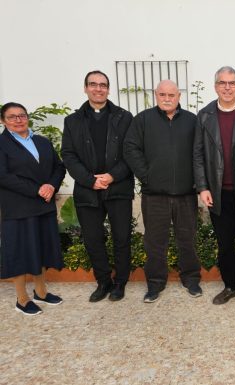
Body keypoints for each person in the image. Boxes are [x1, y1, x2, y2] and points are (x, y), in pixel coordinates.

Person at [124, 80, 202, 303]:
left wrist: (197, 182)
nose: (167, 98)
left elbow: (200, 151)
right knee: (155, 242)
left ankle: (191, 279)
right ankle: (155, 283)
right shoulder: (143, 120)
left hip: (186, 194)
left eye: (171, 94)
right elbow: (130, 148)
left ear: (179, 96)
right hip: (154, 194)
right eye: (162, 94)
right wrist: (146, 176)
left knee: (187, 239)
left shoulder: (191, 121)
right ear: (156, 95)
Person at [61, 70, 134, 302]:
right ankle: (103, 281)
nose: (98, 88)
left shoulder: (124, 117)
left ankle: (120, 282)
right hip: (87, 189)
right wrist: (90, 180)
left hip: (118, 187)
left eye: (103, 85)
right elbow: (68, 154)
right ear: (85, 88)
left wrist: (112, 176)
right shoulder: (72, 121)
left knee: (122, 237)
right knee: (93, 239)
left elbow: (131, 153)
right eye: (93, 84)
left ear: (108, 89)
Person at [193, 66, 235, 305]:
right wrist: (203, 187)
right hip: (218, 193)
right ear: (215, 86)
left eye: (232, 83)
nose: (227, 87)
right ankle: (230, 286)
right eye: (223, 83)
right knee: (225, 244)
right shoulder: (205, 116)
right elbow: (198, 155)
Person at [0, 102, 66, 315]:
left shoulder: (41, 141)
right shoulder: (2, 144)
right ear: (3, 121)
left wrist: (51, 185)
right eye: (12, 117)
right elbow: (3, 176)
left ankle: (41, 292)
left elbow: (59, 166)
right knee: (19, 252)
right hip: (18, 207)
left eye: (22, 115)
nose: (18, 120)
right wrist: (36, 189)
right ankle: (22, 298)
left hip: (43, 205)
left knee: (42, 248)